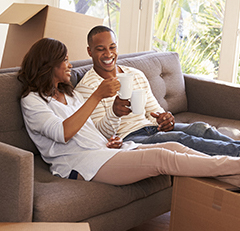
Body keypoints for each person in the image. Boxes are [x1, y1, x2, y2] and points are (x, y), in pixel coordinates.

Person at [18, 38, 240, 187]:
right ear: (48, 65)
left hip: (103, 151)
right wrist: (97, 96)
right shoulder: (32, 101)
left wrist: (106, 140)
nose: (70, 65)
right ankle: (235, 165)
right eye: (65, 60)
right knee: (161, 157)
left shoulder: (68, 94)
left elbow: (88, 130)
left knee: (174, 146)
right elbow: (62, 133)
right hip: (81, 164)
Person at [75, 25, 240, 157]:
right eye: (100, 49)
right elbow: (100, 135)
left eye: (112, 47)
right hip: (129, 138)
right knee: (182, 139)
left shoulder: (135, 75)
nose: (108, 53)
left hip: (150, 128)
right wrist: (114, 113)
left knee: (201, 128)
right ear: (90, 51)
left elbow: (154, 112)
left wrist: (164, 119)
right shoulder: (88, 87)